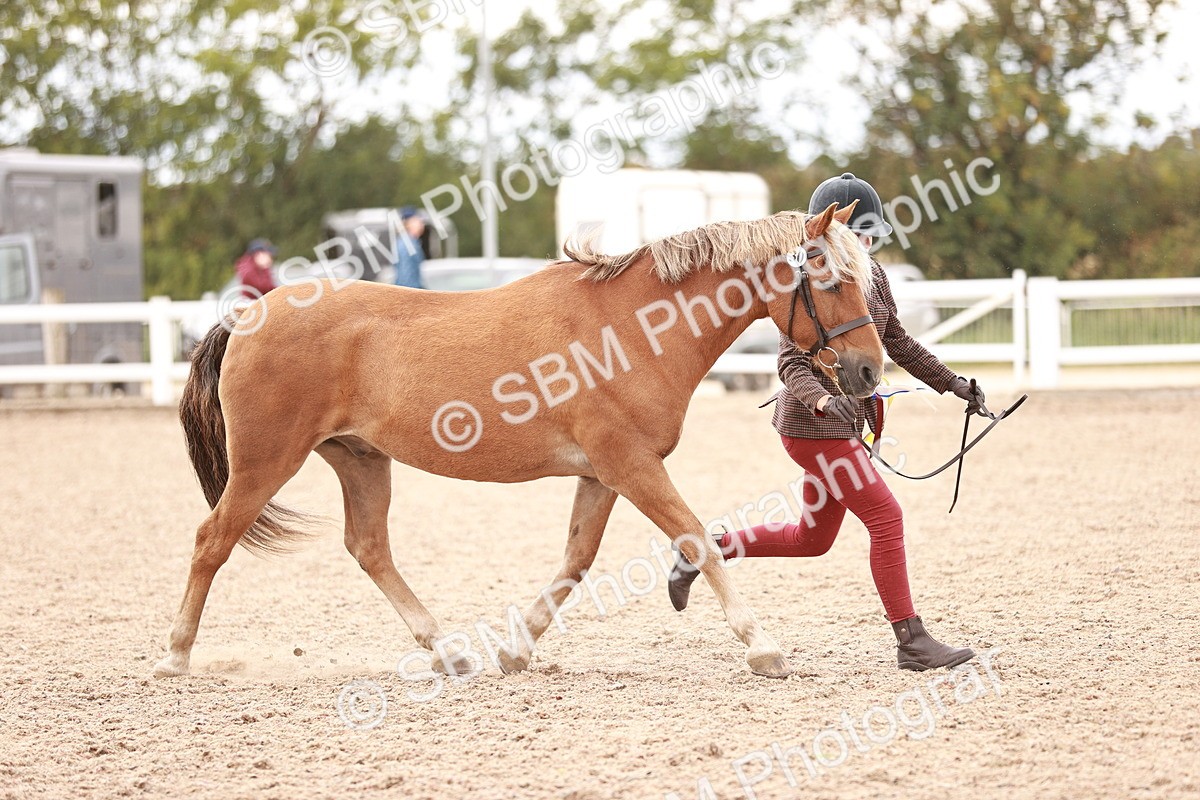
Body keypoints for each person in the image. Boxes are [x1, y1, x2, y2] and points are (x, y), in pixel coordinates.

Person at [667, 173, 986, 671]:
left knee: (811, 539)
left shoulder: (871, 277)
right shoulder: (805, 285)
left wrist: (953, 383)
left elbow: (898, 342)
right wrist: (819, 401)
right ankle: (911, 641)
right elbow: (790, 364)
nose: (865, 246)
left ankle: (704, 550)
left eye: (869, 236)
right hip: (811, 428)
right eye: (856, 236)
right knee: (886, 518)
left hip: (846, 426)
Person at [393, 207, 427, 289]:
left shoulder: (409, 242)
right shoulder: (407, 245)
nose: (422, 224)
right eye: (418, 221)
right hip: (408, 291)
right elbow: (406, 277)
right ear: (409, 223)